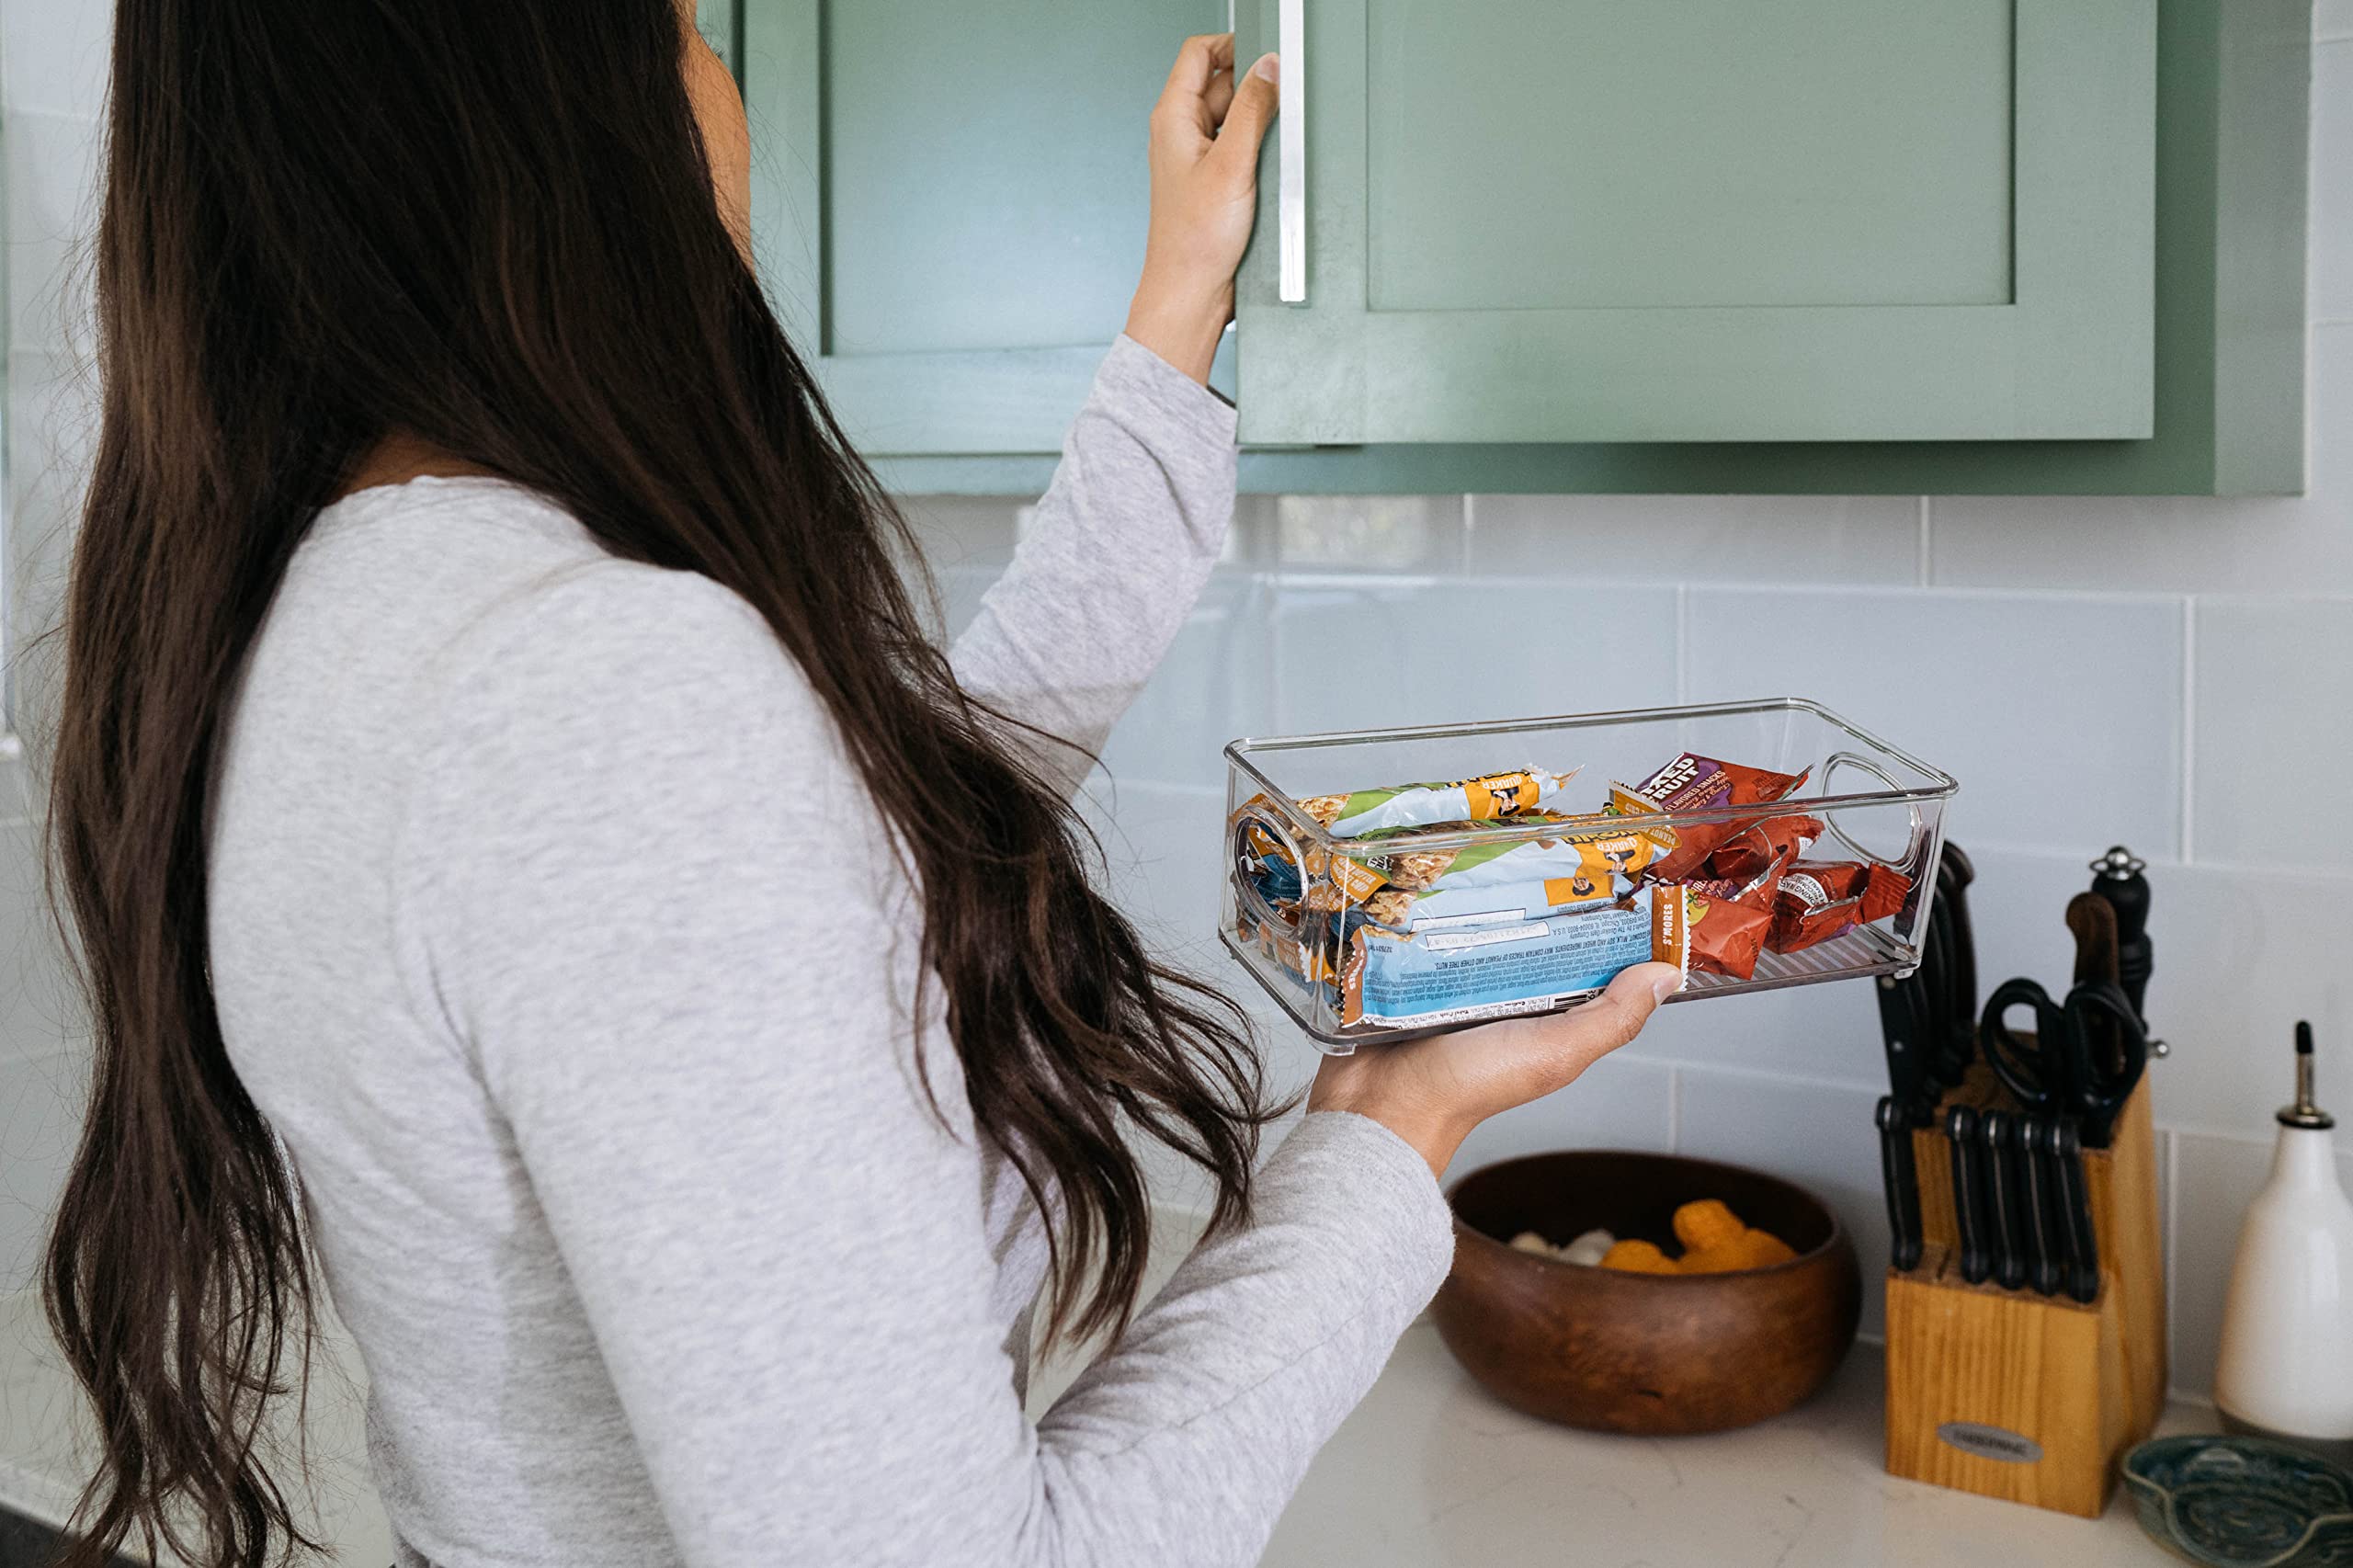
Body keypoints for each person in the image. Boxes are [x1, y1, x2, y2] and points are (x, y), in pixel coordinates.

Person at [40, 6, 1681, 1566]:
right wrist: (1393, 1124)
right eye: (689, 28)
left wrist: (1177, 316)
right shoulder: (593, 691)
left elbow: (847, 866)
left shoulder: (339, 619)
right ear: (553, 104)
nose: (721, 94)